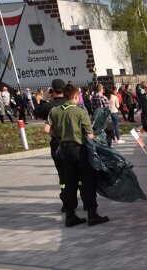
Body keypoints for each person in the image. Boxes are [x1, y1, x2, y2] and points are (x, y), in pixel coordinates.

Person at [44, 84, 109, 227]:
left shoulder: (55, 111)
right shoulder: (80, 112)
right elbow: (90, 135)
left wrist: (59, 135)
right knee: (88, 181)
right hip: (80, 150)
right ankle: (92, 214)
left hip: (65, 150)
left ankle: (70, 215)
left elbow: (46, 129)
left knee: (70, 182)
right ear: (75, 96)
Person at [34, 79, 69, 210]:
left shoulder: (49, 107)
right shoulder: (72, 104)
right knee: (78, 173)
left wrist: (43, 98)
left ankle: (67, 202)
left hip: (57, 144)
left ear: (52, 90)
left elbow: (37, 112)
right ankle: (86, 200)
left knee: (62, 174)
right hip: (74, 143)